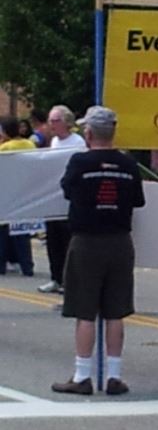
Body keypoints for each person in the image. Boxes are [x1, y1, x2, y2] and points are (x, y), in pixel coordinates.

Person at [51, 106, 145, 396]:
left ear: (89, 133)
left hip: (87, 239)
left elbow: (67, 190)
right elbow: (138, 201)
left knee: (85, 311)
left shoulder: (80, 162)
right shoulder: (129, 165)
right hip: (119, 240)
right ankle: (114, 375)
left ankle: (82, 375)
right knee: (115, 311)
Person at [37, 105, 86, 295]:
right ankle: (55, 278)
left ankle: (69, 281)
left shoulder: (77, 142)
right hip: (52, 198)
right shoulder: (55, 141)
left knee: (68, 243)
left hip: (68, 202)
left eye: (55, 120)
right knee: (53, 242)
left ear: (66, 122)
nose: (51, 124)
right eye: (50, 120)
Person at [0, 117, 37, 276]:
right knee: (22, 232)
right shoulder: (30, 144)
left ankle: (1, 265)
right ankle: (27, 266)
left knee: (2, 231)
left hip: (6, 193)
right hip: (24, 192)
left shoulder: (5, 148)